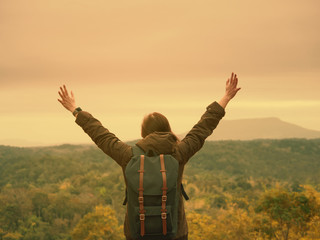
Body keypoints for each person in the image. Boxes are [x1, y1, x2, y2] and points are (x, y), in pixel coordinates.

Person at [58, 72, 241, 240]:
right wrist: (226, 97)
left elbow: (100, 134)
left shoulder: (128, 156)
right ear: (167, 128)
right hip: (175, 233)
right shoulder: (178, 154)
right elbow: (202, 128)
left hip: (137, 233)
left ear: (144, 133)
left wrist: (75, 109)